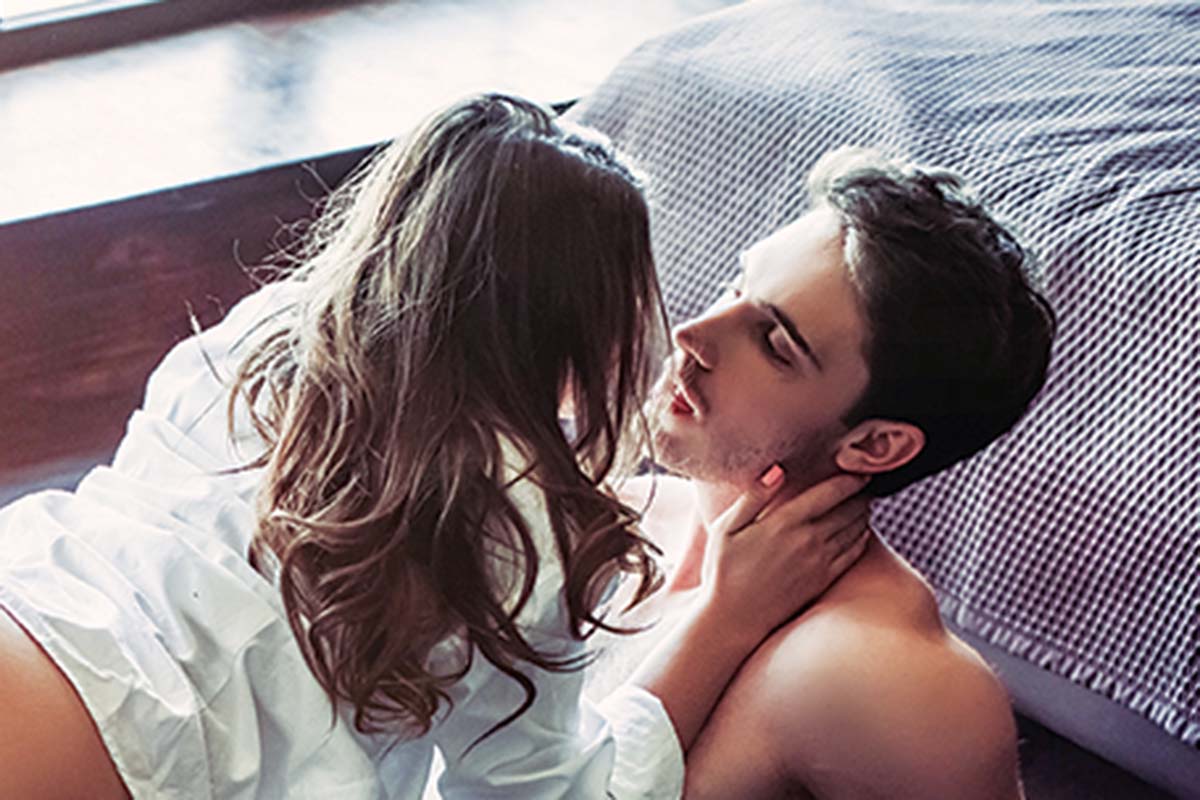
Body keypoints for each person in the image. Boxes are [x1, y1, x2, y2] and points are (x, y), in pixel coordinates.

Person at [0, 94, 870, 799]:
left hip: (33, 597)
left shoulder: (264, 337)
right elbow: (544, 794)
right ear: (575, 318)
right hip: (120, 732)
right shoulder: (516, 511)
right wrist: (725, 621)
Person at [588, 146, 1057, 799]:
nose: (692, 333)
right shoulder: (626, 514)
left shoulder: (889, 680)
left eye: (774, 343)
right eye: (736, 286)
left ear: (875, 445)